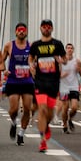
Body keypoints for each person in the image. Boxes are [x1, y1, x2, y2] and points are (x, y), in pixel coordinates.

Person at [30, 20, 67, 153]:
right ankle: (43, 141)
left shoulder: (57, 44)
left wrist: (60, 60)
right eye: (44, 27)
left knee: (50, 113)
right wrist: (31, 66)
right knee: (42, 109)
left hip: (53, 82)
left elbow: (65, 59)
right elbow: (30, 58)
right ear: (40, 28)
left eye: (48, 27)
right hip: (40, 81)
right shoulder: (35, 45)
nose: (46, 29)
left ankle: (46, 127)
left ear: (52, 29)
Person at [2, 22, 37, 145]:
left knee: (27, 109)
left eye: (23, 30)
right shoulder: (9, 46)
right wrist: (4, 70)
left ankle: (21, 133)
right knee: (14, 109)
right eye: (19, 30)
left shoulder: (31, 46)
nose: (21, 32)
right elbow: (2, 60)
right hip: (13, 81)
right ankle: (13, 122)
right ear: (16, 32)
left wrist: (33, 67)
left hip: (27, 81)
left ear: (26, 32)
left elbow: (35, 60)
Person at [59, 52, 81, 133]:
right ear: (65, 50)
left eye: (71, 48)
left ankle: (70, 119)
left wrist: (79, 70)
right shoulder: (61, 61)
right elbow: (55, 75)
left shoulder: (77, 61)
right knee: (65, 108)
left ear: (73, 50)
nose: (69, 50)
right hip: (64, 87)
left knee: (74, 107)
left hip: (74, 87)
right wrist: (62, 75)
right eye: (68, 48)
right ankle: (65, 125)